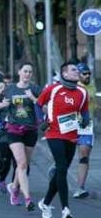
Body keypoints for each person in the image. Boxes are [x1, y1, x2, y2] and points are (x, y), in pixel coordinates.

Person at [37, 61, 89, 218]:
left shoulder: (82, 92)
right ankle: (65, 209)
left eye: (77, 70)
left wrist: (85, 121)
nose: (76, 71)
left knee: (62, 170)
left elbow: (84, 112)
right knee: (61, 167)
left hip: (72, 135)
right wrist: (42, 122)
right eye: (73, 69)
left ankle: (45, 203)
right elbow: (38, 104)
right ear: (64, 74)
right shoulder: (54, 89)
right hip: (54, 133)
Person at [0, 62, 41, 211]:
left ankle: (14, 188)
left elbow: (47, 108)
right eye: (25, 71)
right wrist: (1, 105)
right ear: (19, 72)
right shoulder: (9, 90)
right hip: (14, 131)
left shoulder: (35, 89)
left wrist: (34, 98)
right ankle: (28, 200)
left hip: (31, 130)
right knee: (21, 163)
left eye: (30, 72)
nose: (27, 74)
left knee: (24, 165)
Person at [73, 63, 95, 199]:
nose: (87, 76)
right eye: (84, 73)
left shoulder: (91, 87)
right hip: (71, 125)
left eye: (88, 73)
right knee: (65, 154)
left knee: (84, 155)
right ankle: (56, 167)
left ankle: (80, 187)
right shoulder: (72, 87)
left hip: (86, 126)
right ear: (78, 75)